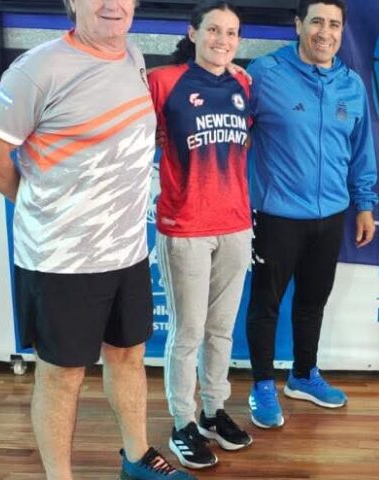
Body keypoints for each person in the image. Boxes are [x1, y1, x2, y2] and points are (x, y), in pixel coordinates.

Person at [0, 0, 193, 478]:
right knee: (62, 375)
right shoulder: (37, 69)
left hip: (126, 250)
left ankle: (136, 459)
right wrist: (41, 206)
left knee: (128, 355)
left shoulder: (132, 55)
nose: (112, 4)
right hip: (61, 260)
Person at [245, 0, 378, 429]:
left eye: (334, 24)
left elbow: (361, 150)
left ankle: (303, 375)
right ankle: (262, 385)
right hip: (276, 214)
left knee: (312, 301)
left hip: (331, 215)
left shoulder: (351, 84)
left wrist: (365, 204)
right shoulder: (265, 73)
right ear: (298, 24)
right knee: (265, 304)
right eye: (317, 21)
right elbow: (232, 131)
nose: (325, 32)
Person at [147, 0, 253, 470]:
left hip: (235, 225)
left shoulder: (243, 84)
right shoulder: (163, 81)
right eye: (213, 30)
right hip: (185, 226)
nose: (222, 40)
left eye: (231, 33)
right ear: (193, 33)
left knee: (221, 330)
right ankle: (182, 422)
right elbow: (138, 136)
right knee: (188, 331)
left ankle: (213, 411)